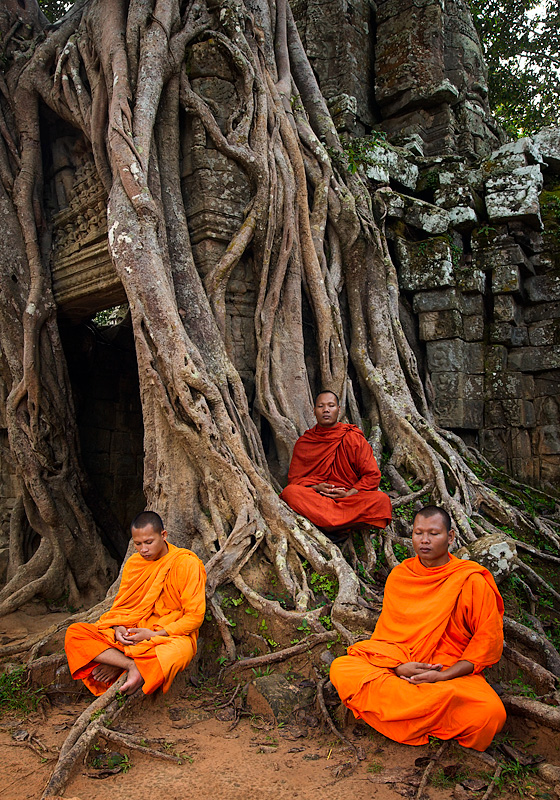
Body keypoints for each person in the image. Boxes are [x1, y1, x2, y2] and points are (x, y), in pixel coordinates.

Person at [329, 506, 506, 751]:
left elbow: (486, 645)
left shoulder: (471, 581)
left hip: (450, 672)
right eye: (418, 533)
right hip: (402, 665)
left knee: (490, 713)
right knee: (342, 668)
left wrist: (443, 675)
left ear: (451, 537)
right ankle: (428, 718)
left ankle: (405, 714)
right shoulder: (401, 576)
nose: (424, 540)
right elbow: (388, 636)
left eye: (433, 533)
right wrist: (399, 665)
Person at [65, 511, 206, 696]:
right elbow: (122, 606)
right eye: (137, 544)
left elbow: (194, 617)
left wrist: (153, 634)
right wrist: (118, 627)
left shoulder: (186, 564)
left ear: (163, 535)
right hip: (132, 632)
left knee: (179, 653)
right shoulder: (134, 564)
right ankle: (130, 665)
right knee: (75, 634)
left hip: (168, 635)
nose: (143, 549)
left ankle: (118, 665)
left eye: (149, 542)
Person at [279, 391, 392, 541]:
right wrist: (317, 487)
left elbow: (372, 475)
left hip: (347, 498)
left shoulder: (352, 437)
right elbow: (295, 481)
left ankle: (328, 525)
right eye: (321, 406)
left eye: (331, 406)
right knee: (290, 493)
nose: (326, 410)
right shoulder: (305, 442)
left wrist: (350, 493)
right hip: (318, 498)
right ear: (314, 411)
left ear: (339, 409)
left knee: (381, 500)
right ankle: (342, 525)